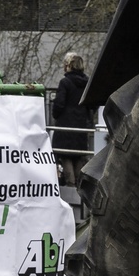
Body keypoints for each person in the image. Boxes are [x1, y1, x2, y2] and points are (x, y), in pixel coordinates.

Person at [51, 52, 91, 187]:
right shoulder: (87, 84)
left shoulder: (65, 82)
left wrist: (56, 115)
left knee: (66, 156)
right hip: (81, 126)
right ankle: (81, 189)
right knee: (78, 157)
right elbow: (92, 105)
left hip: (66, 126)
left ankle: (70, 186)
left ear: (69, 66)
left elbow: (59, 105)